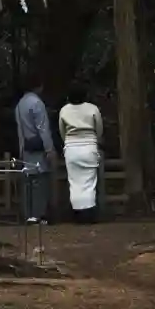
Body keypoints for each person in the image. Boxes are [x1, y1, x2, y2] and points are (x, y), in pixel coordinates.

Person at [58, 81, 103, 223]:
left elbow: (62, 130)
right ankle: (89, 214)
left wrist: (67, 142)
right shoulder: (92, 109)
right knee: (90, 182)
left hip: (71, 147)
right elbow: (99, 128)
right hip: (89, 146)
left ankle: (77, 214)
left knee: (74, 182)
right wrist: (96, 141)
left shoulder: (64, 110)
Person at [14, 75, 55, 224]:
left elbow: (20, 130)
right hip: (38, 146)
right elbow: (43, 128)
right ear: (38, 86)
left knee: (28, 180)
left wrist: (21, 149)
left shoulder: (20, 104)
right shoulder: (37, 103)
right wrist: (49, 148)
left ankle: (29, 214)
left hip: (26, 146)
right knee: (40, 180)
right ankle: (39, 214)